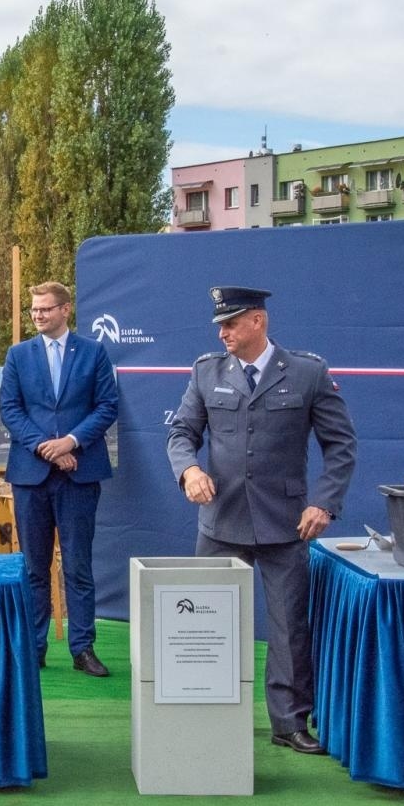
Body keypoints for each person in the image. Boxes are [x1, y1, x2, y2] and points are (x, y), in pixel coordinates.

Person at [166, 286, 357, 755]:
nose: (223, 332)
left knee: (289, 625)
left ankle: (289, 723)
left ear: (258, 321)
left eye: (231, 323)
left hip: (285, 523)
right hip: (221, 521)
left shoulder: (308, 373)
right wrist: (189, 469)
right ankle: (203, 711)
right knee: (203, 623)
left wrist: (324, 504)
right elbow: (181, 432)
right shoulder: (206, 372)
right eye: (219, 325)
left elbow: (341, 446)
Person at [0, 282, 120, 676]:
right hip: (31, 476)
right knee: (34, 568)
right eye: (33, 310)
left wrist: (70, 442)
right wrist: (45, 447)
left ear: (65, 310)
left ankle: (82, 648)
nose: (37, 316)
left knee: (78, 566)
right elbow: (11, 410)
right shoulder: (18, 355)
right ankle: (34, 648)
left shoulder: (94, 352)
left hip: (80, 474)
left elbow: (106, 406)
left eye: (45, 309)